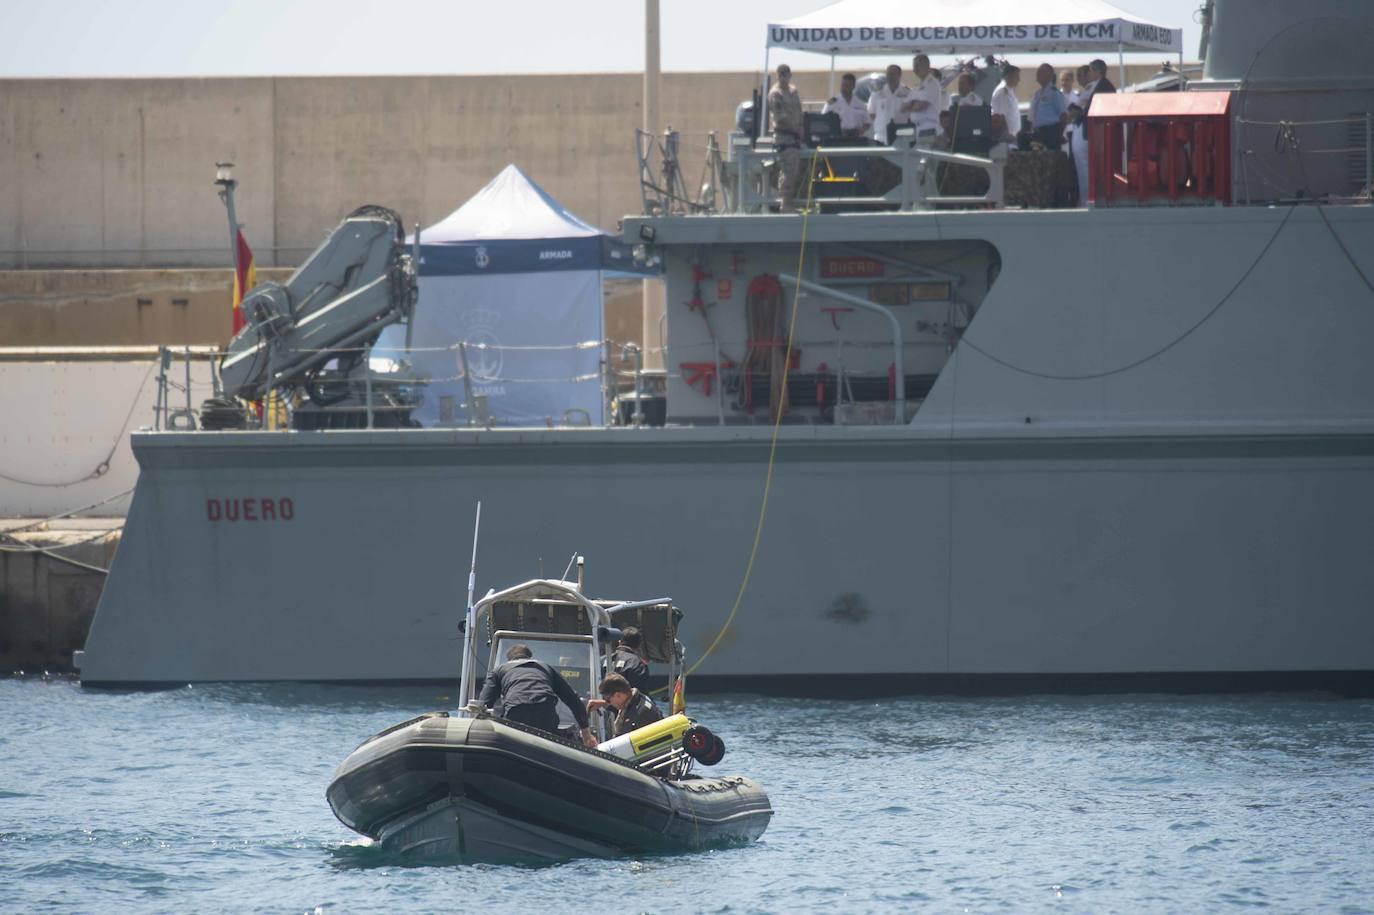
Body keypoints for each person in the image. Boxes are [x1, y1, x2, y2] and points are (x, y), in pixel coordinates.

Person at [478, 644, 597, 747]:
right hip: (545, 712)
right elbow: (573, 700)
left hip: (516, 712)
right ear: (530, 658)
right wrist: (586, 734)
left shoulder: (498, 670)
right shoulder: (545, 667)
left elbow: (483, 704)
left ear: (509, 660)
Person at [767, 64, 804, 212]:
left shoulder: (793, 91)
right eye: (780, 73)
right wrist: (795, 129)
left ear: (790, 75)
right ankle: (785, 204)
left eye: (785, 73)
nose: (783, 76)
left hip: (796, 137)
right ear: (777, 75)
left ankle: (791, 202)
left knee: (796, 170)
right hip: (784, 136)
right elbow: (780, 117)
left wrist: (801, 128)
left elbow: (799, 111)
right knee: (787, 170)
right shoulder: (775, 94)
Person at [587, 673, 663, 738]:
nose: (609, 703)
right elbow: (625, 708)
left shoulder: (638, 716)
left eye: (608, 700)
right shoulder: (638, 699)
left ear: (618, 695)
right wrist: (603, 703)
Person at [902, 53, 944, 143]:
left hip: (929, 128)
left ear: (926, 66)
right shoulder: (917, 87)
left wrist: (912, 104)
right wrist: (914, 104)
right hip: (918, 129)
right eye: (914, 66)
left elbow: (920, 106)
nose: (914, 70)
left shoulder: (931, 83)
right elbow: (903, 107)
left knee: (927, 156)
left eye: (917, 66)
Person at [866, 64, 911, 145]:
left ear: (899, 75)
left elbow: (911, 115)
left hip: (902, 135)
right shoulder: (877, 94)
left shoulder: (908, 93)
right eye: (889, 74)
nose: (891, 76)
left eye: (893, 74)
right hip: (881, 136)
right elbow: (871, 114)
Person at [1028, 63, 1069, 151]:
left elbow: (1064, 116)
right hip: (1038, 133)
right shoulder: (1037, 94)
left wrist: (1058, 134)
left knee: (1051, 161)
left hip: (1051, 132)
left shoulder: (1054, 93)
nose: (1038, 75)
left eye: (1041, 72)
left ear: (1049, 75)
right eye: (1038, 72)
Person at [823, 73, 869, 141]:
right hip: (837, 139)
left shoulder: (861, 104)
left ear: (853, 86)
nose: (843, 88)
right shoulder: (832, 102)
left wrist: (862, 130)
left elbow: (868, 122)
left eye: (847, 86)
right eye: (842, 85)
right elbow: (824, 120)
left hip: (856, 139)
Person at [610, 626, 650, 693]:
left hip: (600, 702)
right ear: (639, 645)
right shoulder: (638, 664)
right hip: (625, 703)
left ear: (619, 642)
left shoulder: (603, 660)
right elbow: (640, 694)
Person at [989, 64, 1022, 144]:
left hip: (1012, 135)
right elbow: (1001, 117)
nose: (1019, 79)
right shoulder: (1002, 92)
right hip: (1006, 137)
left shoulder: (1009, 90)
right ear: (1009, 76)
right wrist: (1007, 136)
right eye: (1016, 76)